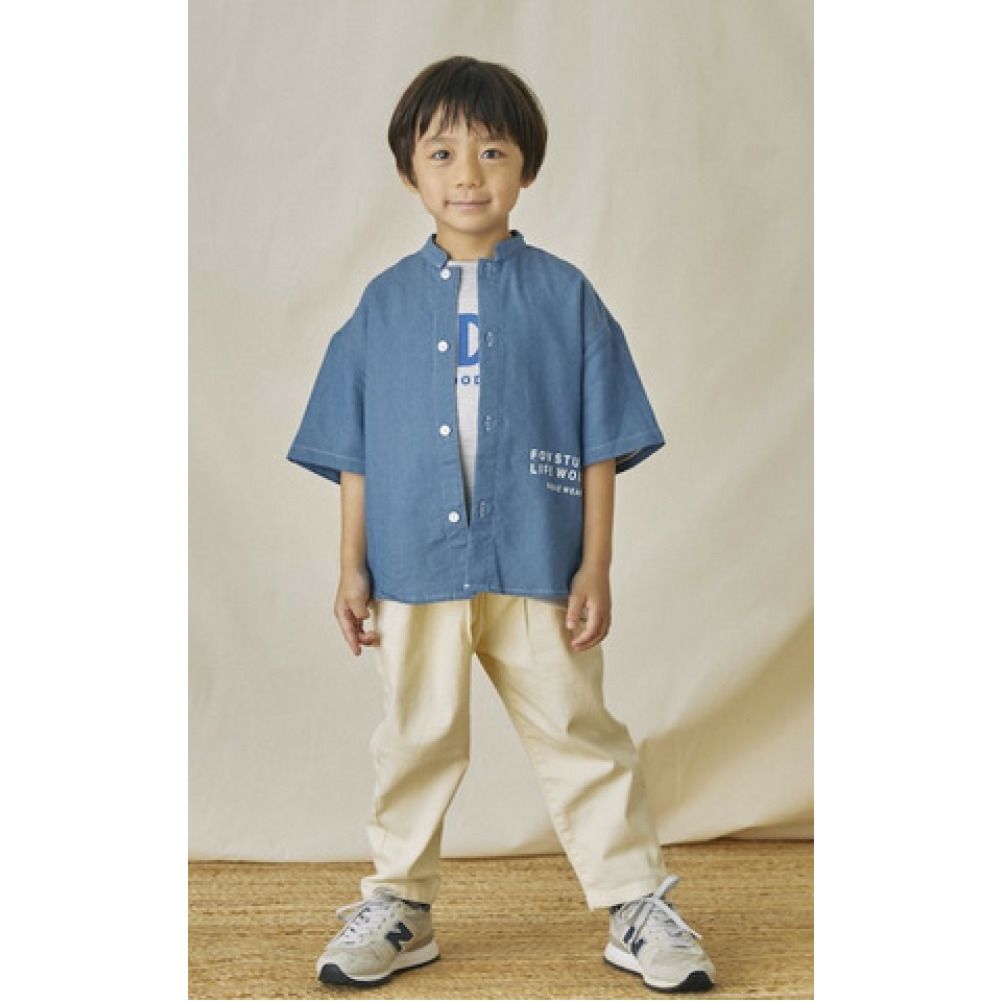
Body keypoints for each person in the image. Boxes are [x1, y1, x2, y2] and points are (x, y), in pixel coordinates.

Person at [287, 55, 716, 994]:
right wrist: (351, 566)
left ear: (526, 166)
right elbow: (354, 449)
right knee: (415, 736)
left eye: (492, 151)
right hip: (414, 562)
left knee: (579, 730)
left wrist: (595, 565)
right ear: (409, 170)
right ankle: (399, 904)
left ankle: (635, 903)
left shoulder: (567, 297)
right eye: (442, 153)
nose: (468, 174)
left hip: (535, 559)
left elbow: (600, 441)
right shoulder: (381, 305)